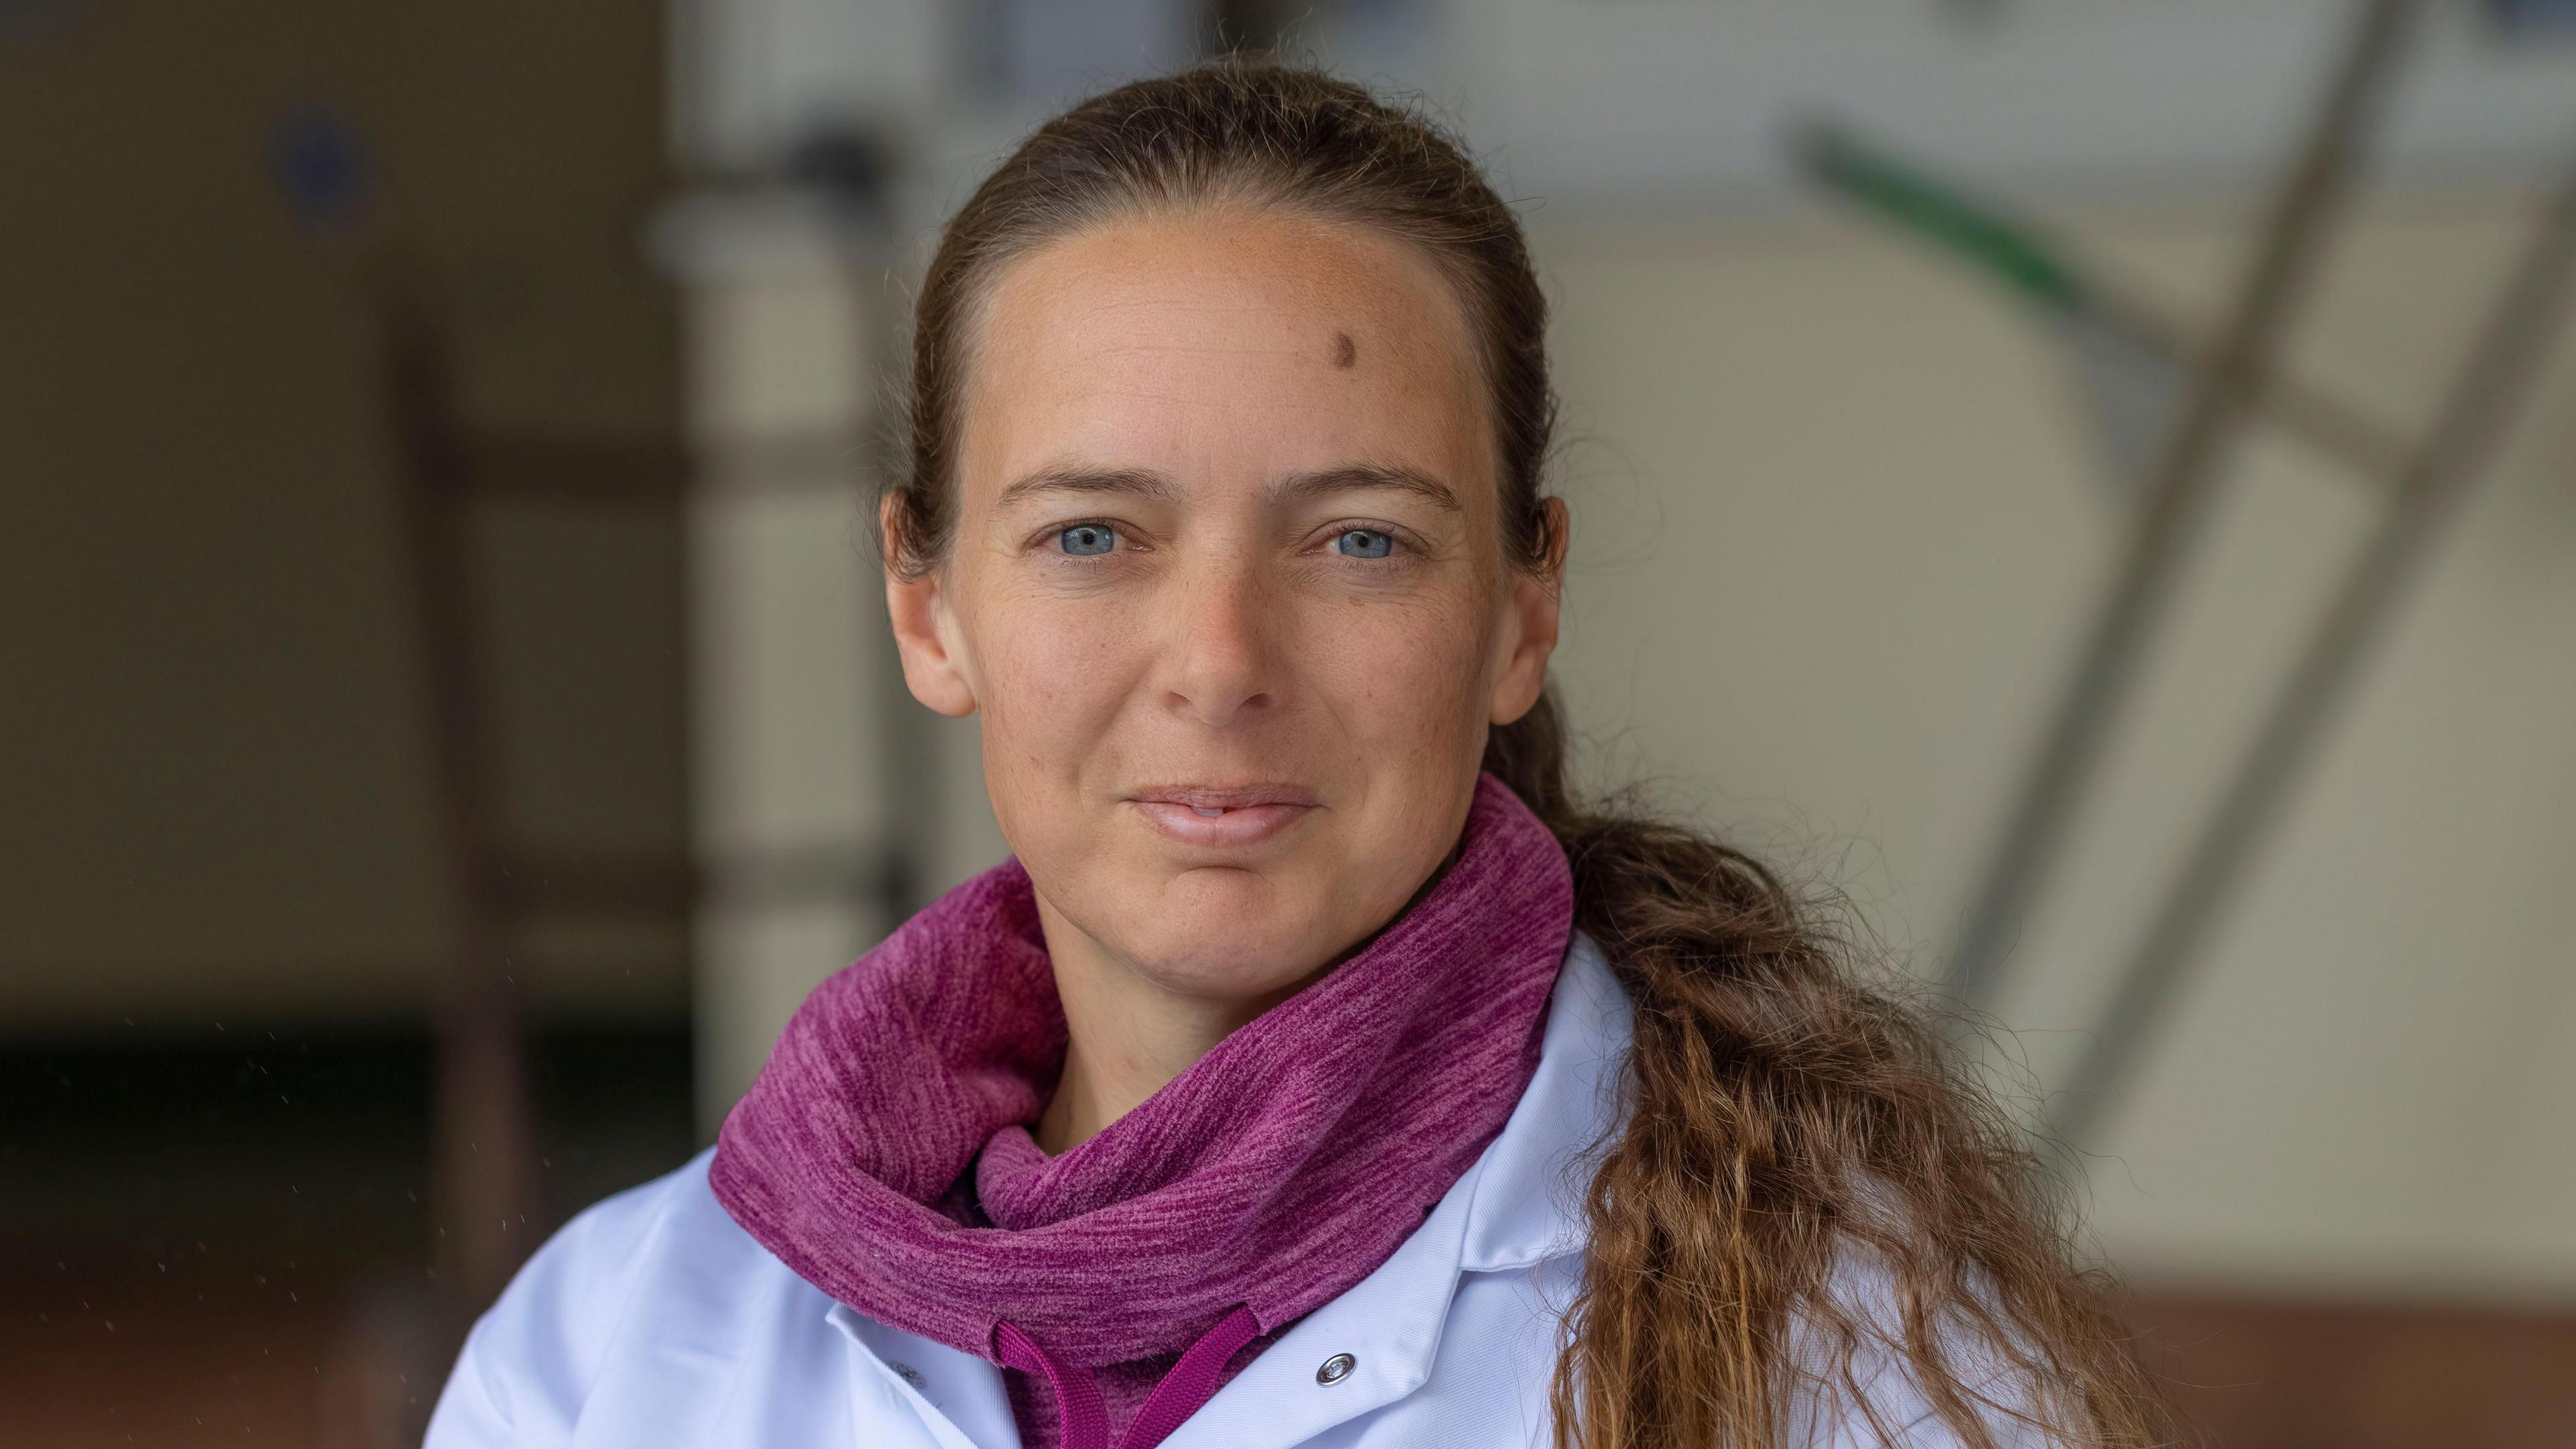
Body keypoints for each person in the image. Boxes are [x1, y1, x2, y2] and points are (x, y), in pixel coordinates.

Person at [425, 58, 2170, 1449]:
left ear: (1522, 609)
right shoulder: (619, 1346)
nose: (1220, 667)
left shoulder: (1840, 1361)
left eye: (1358, 543)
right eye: (1094, 537)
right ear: (926, 603)